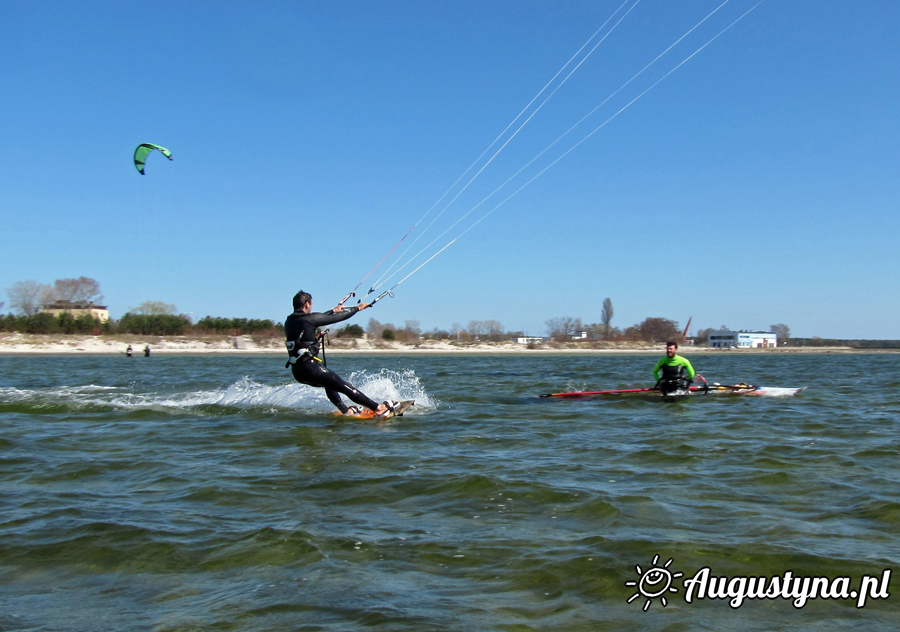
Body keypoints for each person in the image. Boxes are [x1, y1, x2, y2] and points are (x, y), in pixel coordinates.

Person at [285, 290, 395, 416]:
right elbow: (338, 317)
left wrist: (333, 311)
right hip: (310, 368)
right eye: (311, 304)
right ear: (306, 304)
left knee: (329, 383)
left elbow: (317, 319)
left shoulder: (289, 321)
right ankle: (378, 408)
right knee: (345, 387)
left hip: (298, 372)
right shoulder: (308, 319)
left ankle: (345, 410)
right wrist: (357, 308)